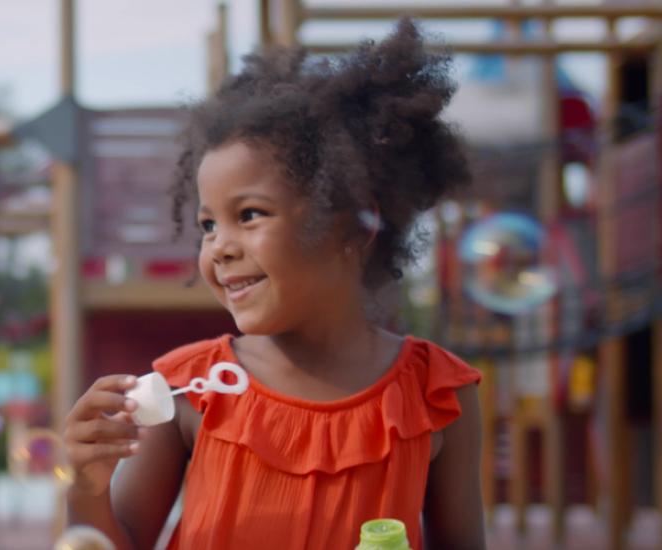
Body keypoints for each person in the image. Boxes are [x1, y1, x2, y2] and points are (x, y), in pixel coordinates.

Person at [63, 19, 485, 550]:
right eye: (208, 225)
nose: (220, 246)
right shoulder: (189, 391)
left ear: (353, 224)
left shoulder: (438, 394)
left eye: (251, 214)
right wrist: (86, 487)